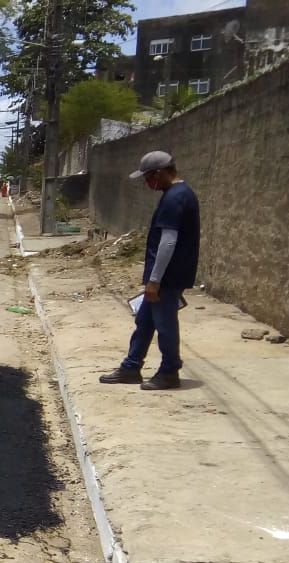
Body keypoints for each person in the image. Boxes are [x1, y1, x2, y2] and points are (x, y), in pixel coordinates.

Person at [100, 151, 200, 391]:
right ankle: (131, 367)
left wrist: (154, 280)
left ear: (160, 173)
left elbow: (168, 242)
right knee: (144, 321)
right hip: (166, 274)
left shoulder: (175, 198)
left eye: (148, 177)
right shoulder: (177, 194)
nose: (147, 183)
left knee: (165, 324)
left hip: (167, 276)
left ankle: (169, 371)